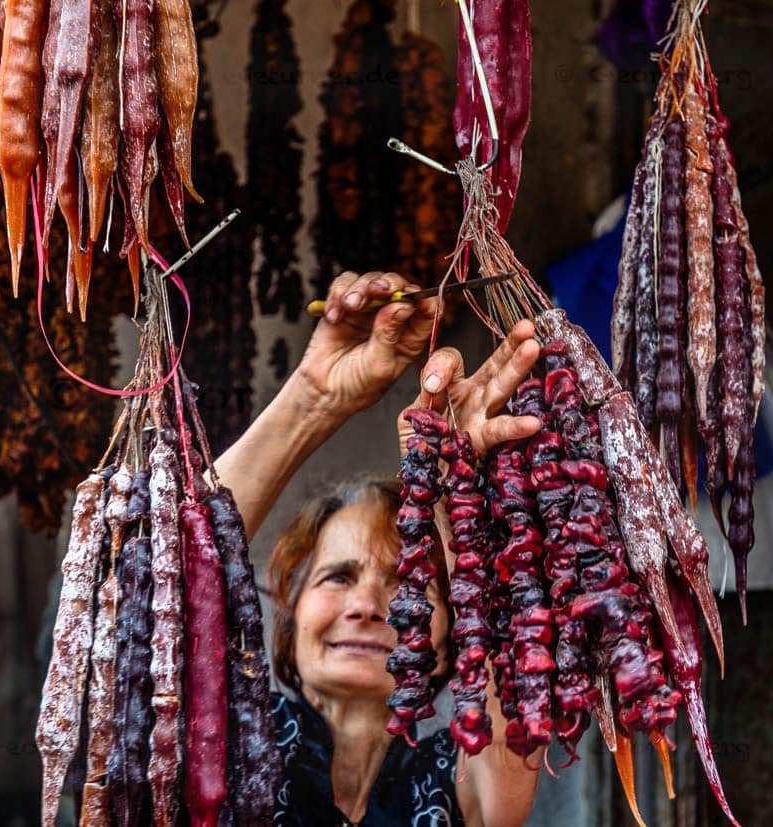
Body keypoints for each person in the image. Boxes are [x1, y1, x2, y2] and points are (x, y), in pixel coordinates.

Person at [214, 271, 546, 826]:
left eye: (407, 584)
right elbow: (161, 585)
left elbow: (518, 661)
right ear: (289, 616)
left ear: (453, 635)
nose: (369, 606)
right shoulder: (219, 748)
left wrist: (453, 499)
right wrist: (315, 399)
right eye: (337, 577)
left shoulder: (458, 784)